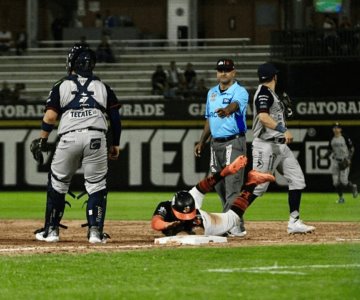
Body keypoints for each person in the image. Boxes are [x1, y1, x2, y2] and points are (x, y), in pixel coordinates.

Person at [30, 43, 122, 244]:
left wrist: (42, 139)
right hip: (97, 138)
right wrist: (115, 143)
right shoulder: (103, 87)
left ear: (72, 62)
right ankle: (95, 232)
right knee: (97, 186)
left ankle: (51, 231)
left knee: (58, 183)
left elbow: (51, 116)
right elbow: (115, 118)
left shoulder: (61, 85)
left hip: (69, 137)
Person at [249, 62, 315, 234]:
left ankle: (294, 221)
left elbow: (271, 116)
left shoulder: (271, 94)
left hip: (279, 146)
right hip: (265, 145)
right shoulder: (264, 93)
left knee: (297, 179)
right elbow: (263, 117)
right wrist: (284, 129)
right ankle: (233, 218)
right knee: (258, 187)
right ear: (274, 76)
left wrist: (285, 114)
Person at [151, 155, 275, 236]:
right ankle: (226, 172)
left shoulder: (197, 219)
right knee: (197, 191)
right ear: (173, 208)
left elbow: (196, 234)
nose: (186, 217)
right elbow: (156, 222)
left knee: (233, 218)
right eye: (184, 215)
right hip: (179, 216)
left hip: (207, 221)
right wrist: (167, 224)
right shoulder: (166, 206)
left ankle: (251, 182)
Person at [194, 58, 249, 237]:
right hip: (215, 143)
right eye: (220, 70)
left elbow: (235, 105)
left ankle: (228, 225)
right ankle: (236, 224)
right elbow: (209, 119)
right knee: (218, 185)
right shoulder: (211, 93)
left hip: (234, 141)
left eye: (227, 70)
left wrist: (227, 111)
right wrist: (202, 141)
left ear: (234, 73)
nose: (223, 73)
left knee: (233, 184)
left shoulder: (239, 91)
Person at [323, 122, 358, 203]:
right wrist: (324, 156)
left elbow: (352, 149)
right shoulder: (331, 138)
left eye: (338, 127)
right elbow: (329, 150)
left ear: (340, 129)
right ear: (332, 129)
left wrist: (349, 159)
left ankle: (353, 187)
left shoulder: (344, 137)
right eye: (334, 127)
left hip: (344, 161)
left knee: (344, 182)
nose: (336, 129)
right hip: (335, 161)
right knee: (335, 182)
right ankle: (341, 198)